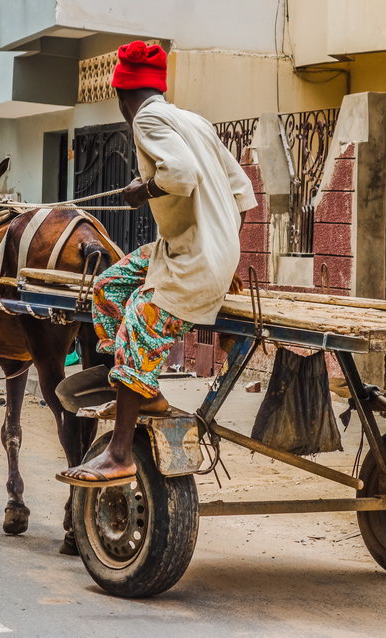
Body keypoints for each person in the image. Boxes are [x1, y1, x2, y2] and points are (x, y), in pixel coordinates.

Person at [58, 41, 257, 486]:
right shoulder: (191, 119)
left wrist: (140, 192)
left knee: (137, 321)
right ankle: (138, 390)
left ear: (121, 96)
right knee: (108, 288)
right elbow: (243, 191)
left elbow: (180, 176)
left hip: (195, 258)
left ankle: (120, 451)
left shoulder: (146, 118)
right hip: (189, 249)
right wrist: (223, 247)